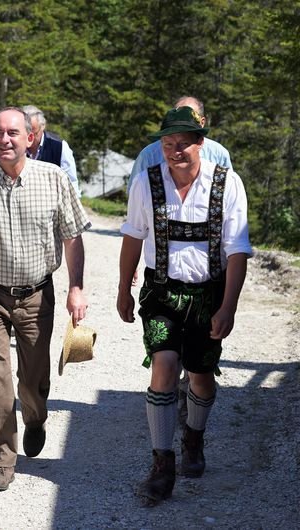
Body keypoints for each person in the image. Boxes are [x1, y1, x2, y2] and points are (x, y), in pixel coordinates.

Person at [116, 106, 252, 504]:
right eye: (167, 144)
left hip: (209, 294)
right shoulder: (146, 181)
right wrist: (124, 288)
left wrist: (228, 307)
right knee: (164, 362)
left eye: (183, 144)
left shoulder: (227, 184)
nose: (175, 151)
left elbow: (237, 249)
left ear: (201, 143)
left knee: (200, 374)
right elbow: (132, 236)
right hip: (161, 292)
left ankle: (194, 437)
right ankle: (162, 463)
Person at [0, 107, 91, 491]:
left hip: (35, 296)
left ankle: (35, 416)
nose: (4, 139)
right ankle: (1, 461)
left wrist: (75, 287)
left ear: (30, 138)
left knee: (32, 381)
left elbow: (73, 236)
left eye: (12, 132)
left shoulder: (54, 179)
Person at [127, 96, 232, 190]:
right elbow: (135, 194)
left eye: (185, 143)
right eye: (169, 144)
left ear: (202, 122)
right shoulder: (148, 155)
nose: (176, 152)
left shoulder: (218, 153)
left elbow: (227, 192)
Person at [21, 105, 81, 197]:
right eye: (25, 133)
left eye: (33, 133)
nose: (30, 138)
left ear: (43, 126)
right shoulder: (16, 145)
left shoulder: (59, 146)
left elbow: (71, 181)